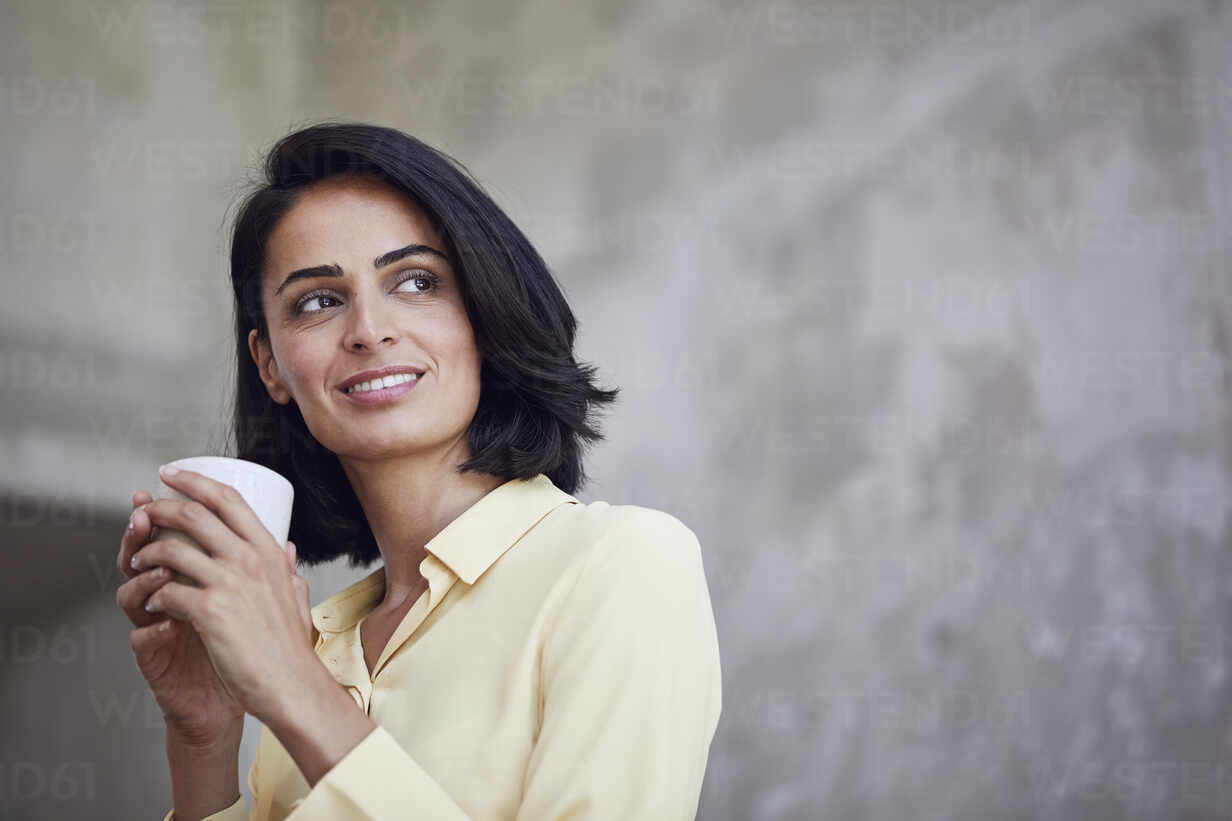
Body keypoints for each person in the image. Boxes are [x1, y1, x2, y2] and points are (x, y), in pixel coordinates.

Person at [113, 121, 722, 820]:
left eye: (416, 281)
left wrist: (291, 682)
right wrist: (204, 741)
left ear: (484, 317)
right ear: (270, 364)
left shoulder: (622, 566)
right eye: (318, 300)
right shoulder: (316, 642)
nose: (369, 329)